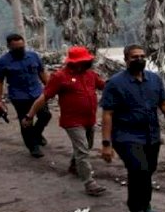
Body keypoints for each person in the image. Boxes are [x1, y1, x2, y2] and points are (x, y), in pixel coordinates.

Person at [100, 44, 165, 212]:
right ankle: (136, 209)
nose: (139, 59)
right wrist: (106, 143)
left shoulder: (154, 80)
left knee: (148, 170)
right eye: (134, 57)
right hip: (126, 136)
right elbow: (107, 114)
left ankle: (146, 204)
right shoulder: (115, 83)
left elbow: (164, 104)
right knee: (138, 169)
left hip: (151, 135)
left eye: (142, 56)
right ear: (126, 60)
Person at [23, 46, 107, 196]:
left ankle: (74, 166)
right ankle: (89, 183)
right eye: (82, 61)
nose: (84, 63)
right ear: (73, 62)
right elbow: (44, 97)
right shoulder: (60, 77)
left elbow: (106, 86)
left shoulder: (90, 75)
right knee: (82, 150)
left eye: (86, 61)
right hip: (72, 121)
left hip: (89, 118)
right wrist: (30, 115)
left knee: (87, 146)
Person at [0, 33, 51, 158]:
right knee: (26, 121)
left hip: (37, 93)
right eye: (16, 47)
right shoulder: (3, 61)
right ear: (9, 46)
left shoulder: (33, 56)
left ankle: (36, 134)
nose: (20, 49)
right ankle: (33, 146)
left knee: (46, 115)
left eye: (22, 46)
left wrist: (50, 88)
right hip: (19, 96)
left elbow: (42, 73)